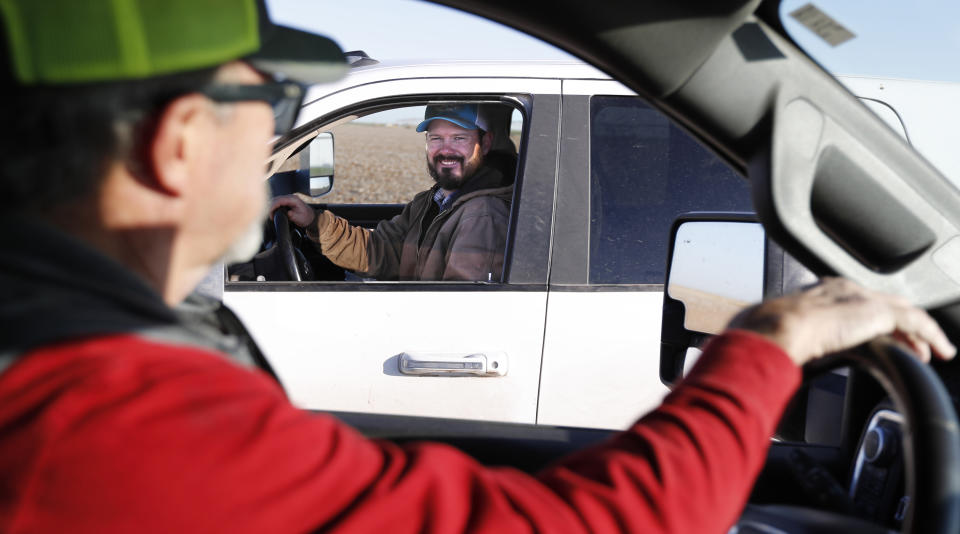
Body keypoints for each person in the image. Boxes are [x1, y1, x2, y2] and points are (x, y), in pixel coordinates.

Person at [0, 2, 954, 533]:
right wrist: (767, 340)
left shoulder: (77, 379)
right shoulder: (114, 416)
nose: (282, 128)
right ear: (178, 146)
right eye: (276, 94)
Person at [271, 103, 513, 282]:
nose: (445, 150)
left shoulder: (482, 215)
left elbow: (456, 309)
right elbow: (379, 250)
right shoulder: (435, 201)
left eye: (459, 138)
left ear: (487, 143)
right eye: (436, 138)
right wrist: (314, 222)